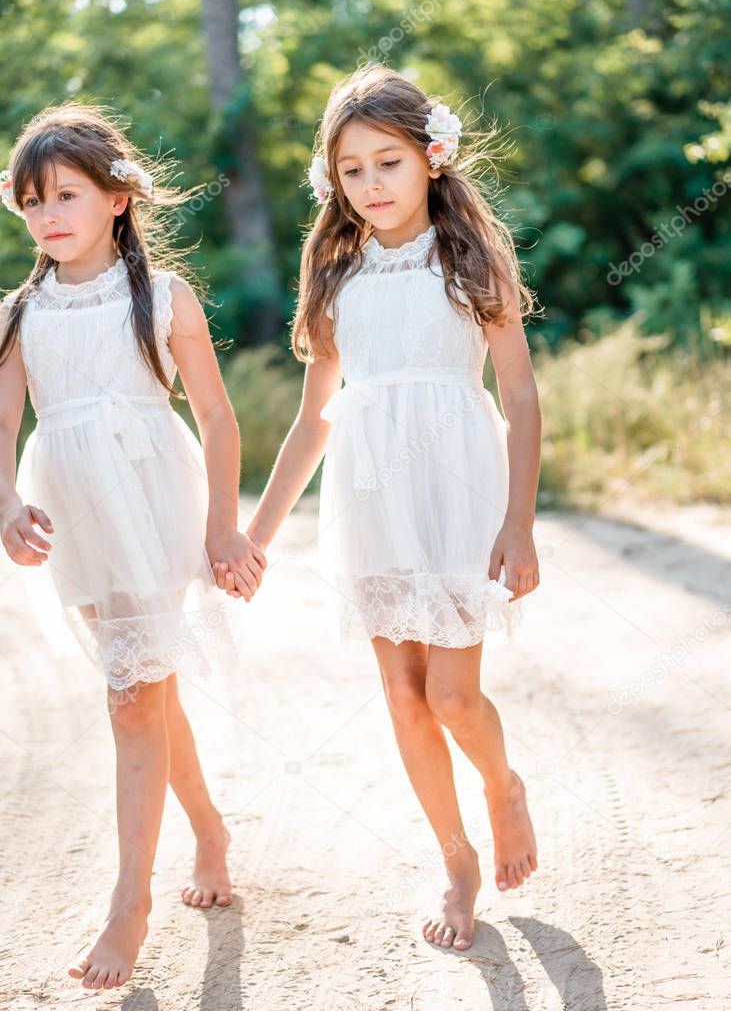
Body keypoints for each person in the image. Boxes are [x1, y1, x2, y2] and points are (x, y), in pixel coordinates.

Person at [215, 64, 542, 953]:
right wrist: (256, 534)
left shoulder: (470, 258)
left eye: (388, 162)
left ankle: (502, 785)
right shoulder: (335, 270)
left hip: (456, 496)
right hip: (371, 498)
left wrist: (517, 522)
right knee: (401, 699)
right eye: (351, 169)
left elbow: (518, 394)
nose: (372, 185)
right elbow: (313, 421)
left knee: (452, 694)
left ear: (432, 158)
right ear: (333, 181)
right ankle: (454, 858)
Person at [0, 102, 265, 990]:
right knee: (145, 688)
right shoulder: (19, 312)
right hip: (72, 509)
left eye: (66, 194)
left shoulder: (164, 297)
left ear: (117, 198)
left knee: (130, 697)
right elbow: (3, 428)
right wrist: (4, 499)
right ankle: (211, 829)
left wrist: (225, 525)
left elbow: (219, 418)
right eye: (31, 200)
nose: (48, 215)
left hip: (153, 499)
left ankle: (130, 900)